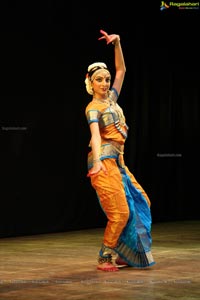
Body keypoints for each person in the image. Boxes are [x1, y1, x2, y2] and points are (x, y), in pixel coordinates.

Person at [84, 29, 155, 272]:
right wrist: (96, 164)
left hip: (118, 163)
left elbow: (122, 71)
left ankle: (127, 253)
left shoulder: (112, 100)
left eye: (106, 79)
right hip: (103, 161)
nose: (105, 83)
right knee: (120, 212)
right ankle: (105, 256)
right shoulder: (93, 108)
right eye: (99, 80)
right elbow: (95, 135)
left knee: (141, 202)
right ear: (90, 83)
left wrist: (117, 44)